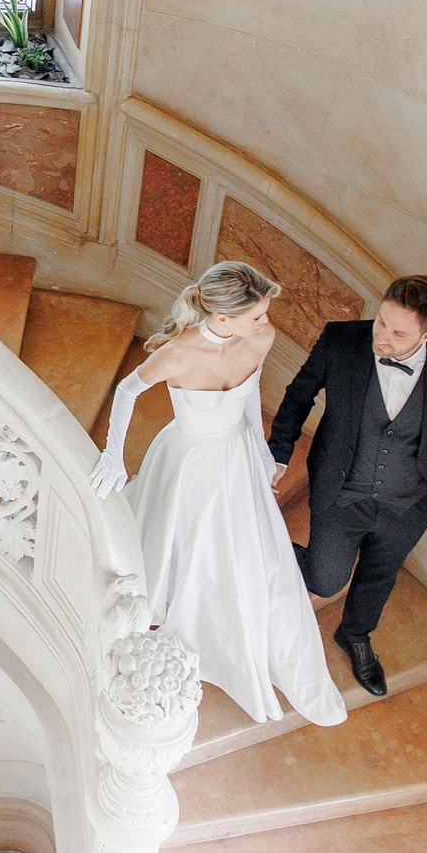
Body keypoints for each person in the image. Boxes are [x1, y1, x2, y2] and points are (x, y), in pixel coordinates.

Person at [90, 262, 345, 728]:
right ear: (222, 318)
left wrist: (264, 454)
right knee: (184, 537)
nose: (267, 325)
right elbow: (127, 391)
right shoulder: (179, 353)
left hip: (238, 455)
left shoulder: (259, 339)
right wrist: (113, 454)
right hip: (187, 461)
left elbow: (248, 395)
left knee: (244, 550)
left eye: (265, 314)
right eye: (257, 317)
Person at [266, 275, 427, 697]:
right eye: (381, 321)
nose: (381, 336)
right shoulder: (342, 341)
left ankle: (356, 635)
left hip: (410, 502)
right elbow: (298, 395)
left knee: (379, 576)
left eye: (398, 332)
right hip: (342, 492)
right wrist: (278, 451)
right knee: (326, 580)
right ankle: (259, 541)